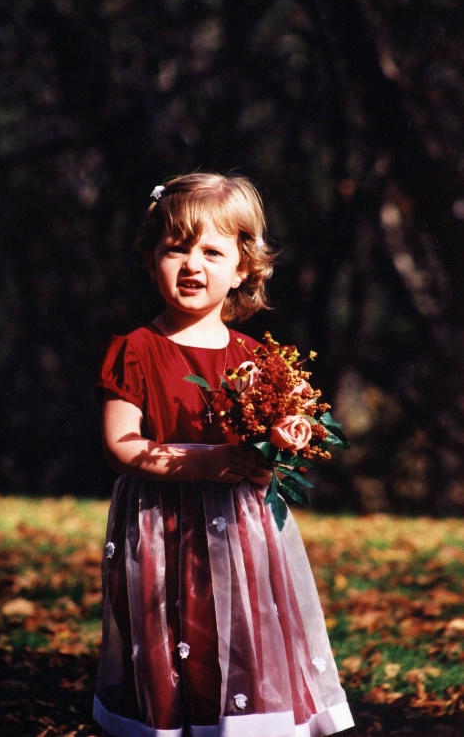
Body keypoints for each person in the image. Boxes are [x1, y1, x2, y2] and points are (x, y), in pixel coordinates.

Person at [93, 173, 354, 737]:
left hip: (240, 530)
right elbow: (120, 445)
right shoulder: (138, 349)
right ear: (150, 258)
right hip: (164, 528)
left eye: (212, 251)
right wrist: (204, 463)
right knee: (172, 635)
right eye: (176, 249)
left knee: (240, 633)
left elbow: (284, 428)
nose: (193, 264)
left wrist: (284, 438)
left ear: (242, 268)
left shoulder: (257, 356)